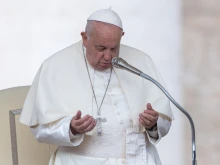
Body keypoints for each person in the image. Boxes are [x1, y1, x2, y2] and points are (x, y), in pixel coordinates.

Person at [20, 8, 173, 165]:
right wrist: (71, 128)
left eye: (114, 48)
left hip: (139, 160)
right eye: (101, 48)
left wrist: (154, 124)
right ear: (85, 38)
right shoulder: (55, 66)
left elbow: (165, 121)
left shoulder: (141, 62)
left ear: (122, 37)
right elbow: (39, 129)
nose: (108, 56)